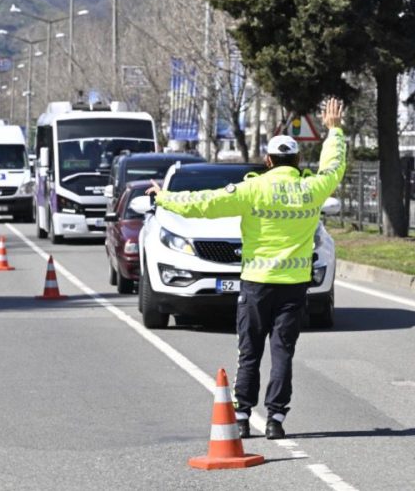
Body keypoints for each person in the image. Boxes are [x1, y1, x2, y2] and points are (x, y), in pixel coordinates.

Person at [147, 98, 346, 440]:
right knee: (283, 352)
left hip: (256, 285)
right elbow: (333, 168)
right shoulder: (311, 189)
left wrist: (164, 198)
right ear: (297, 162)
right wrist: (334, 131)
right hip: (294, 286)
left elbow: (204, 204)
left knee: (249, 350)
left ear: (268, 161)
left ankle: (241, 417)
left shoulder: (253, 188)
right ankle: (276, 419)